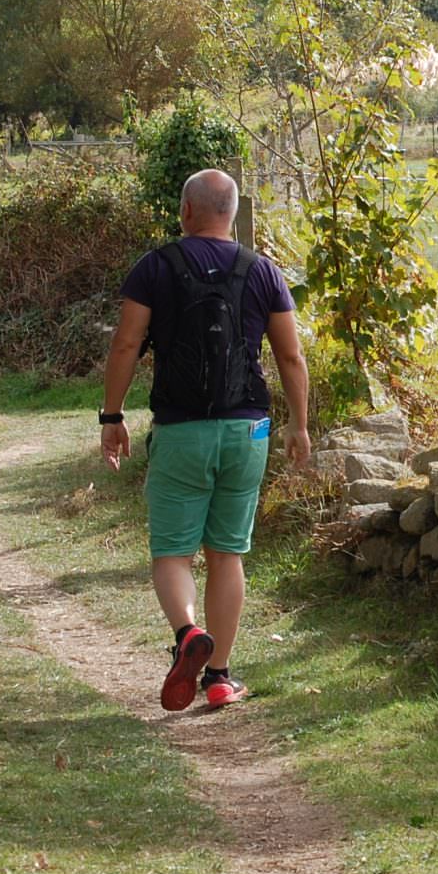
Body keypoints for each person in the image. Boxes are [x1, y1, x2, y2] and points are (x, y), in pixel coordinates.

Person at [99, 169, 312, 711]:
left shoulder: (155, 267)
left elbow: (126, 345)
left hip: (180, 429)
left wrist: (112, 415)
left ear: (185, 211)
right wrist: (299, 425)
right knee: (228, 552)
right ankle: (219, 676)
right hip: (249, 430)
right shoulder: (263, 271)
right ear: (233, 213)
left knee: (172, 553)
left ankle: (187, 634)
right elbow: (290, 356)